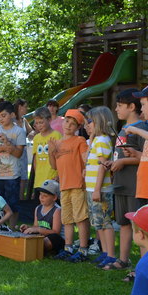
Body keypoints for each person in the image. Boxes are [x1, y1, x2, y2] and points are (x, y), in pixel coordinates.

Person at [105, 88, 148, 272]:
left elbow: (145, 157)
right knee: (123, 223)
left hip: (135, 185)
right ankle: (123, 260)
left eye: (120, 105)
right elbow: (122, 154)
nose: (116, 109)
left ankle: (143, 267)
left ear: (132, 107)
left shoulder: (143, 129)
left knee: (138, 227)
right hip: (120, 184)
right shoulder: (122, 128)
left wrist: (122, 161)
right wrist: (113, 162)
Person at [49, 109, 90, 261]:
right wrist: (51, 151)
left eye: (73, 124)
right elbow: (54, 166)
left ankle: (83, 250)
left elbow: (86, 160)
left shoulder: (79, 141)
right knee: (67, 219)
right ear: (63, 121)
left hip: (78, 184)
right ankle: (68, 247)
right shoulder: (58, 142)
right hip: (64, 186)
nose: (68, 126)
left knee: (80, 218)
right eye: (67, 121)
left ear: (78, 128)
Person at [84, 107, 115, 268]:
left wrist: (97, 189)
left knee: (105, 221)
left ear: (100, 121)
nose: (86, 125)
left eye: (89, 122)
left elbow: (103, 166)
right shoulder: (96, 139)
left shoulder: (103, 140)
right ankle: (104, 252)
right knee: (98, 222)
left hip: (100, 190)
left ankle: (111, 255)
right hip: (92, 189)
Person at [0, 100, 26, 228]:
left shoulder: (19, 131)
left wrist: (8, 143)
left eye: (3, 115)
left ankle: (12, 229)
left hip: (12, 175)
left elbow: (18, 153)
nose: (0, 119)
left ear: (12, 115)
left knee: (12, 204)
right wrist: (2, 148)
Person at [20, 179, 64, 254]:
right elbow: (36, 226)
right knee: (23, 235)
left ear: (54, 197)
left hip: (56, 239)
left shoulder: (57, 210)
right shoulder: (38, 208)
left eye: (45, 196)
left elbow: (56, 232)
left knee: (52, 238)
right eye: (40, 194)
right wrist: (29, 228)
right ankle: (34, 248)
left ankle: (35, 248)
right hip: (42, 236)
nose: (41, 197)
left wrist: (39, 230)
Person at [31, 107, 61, 192]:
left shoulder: (57, 136)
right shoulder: (36, 138)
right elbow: (35, 159)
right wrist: (37, 175)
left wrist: (59, 175)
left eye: (41, 122)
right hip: (39, 180)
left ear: (49, 119)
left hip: (52, 178)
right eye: (36, 123)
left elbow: (60, 157)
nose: (39, 125)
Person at [14, 99, 33, 199]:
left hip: (23, 153)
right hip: (14, 153)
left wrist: (33, 134)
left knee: (23, 179)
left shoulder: (24, 120)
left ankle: (21, 201)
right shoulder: (12, 120)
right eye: (25, 106)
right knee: (15, 178)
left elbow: (31, 132)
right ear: (20, 107)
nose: (27, 109)